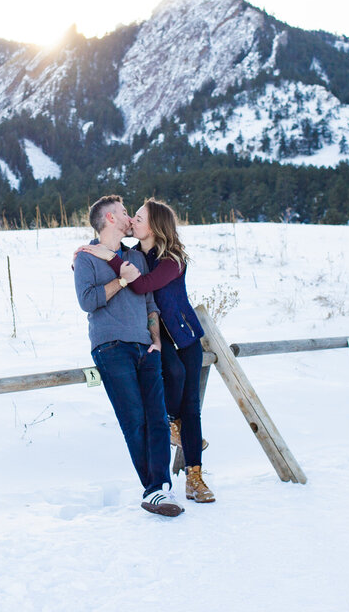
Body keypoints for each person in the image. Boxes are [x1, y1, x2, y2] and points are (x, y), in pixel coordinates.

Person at [77, 198, 215, 503]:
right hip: (153, 338)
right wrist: (95, 251)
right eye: (131, 215)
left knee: (190, 405)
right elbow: (107, 280)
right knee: (169, 382)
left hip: (184, 336)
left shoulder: (172, 259)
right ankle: (167, 436)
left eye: (138, 217)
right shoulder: (133, 255)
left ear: (153, 226)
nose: (133, 220)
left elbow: (143, 286)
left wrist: (107, 257)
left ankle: (193, 476)